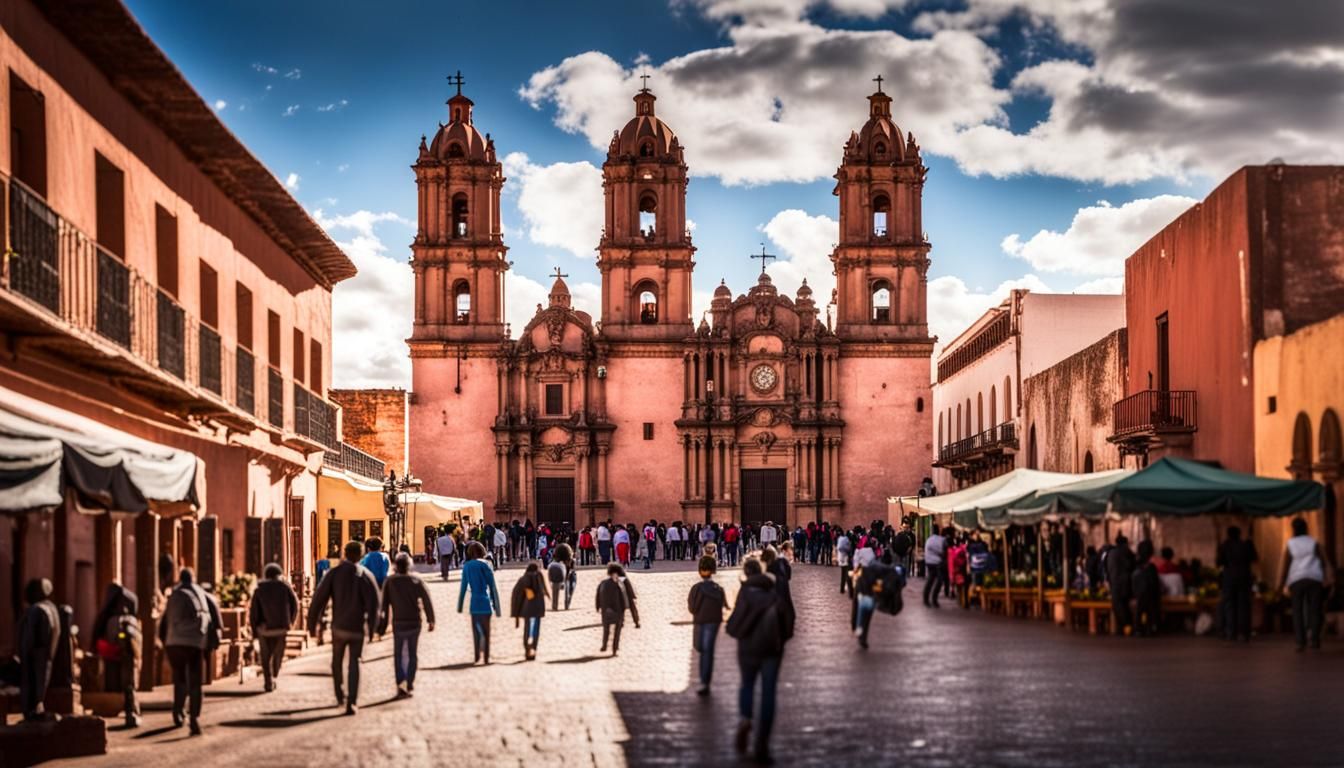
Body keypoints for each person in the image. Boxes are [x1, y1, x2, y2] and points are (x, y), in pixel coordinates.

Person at [725, 556, 789, 765]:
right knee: (769, 692)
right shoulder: (774, 591)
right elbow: (787, 618)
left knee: (747, 685)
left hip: (748, 649)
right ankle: (762, 743)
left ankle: (745, 719)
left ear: (746, 573)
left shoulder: (745, 593)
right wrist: (781, 639)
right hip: (772, 648)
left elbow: (732, 625)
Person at [307, 541, 380, 714]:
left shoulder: (334, 573)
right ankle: (352, 701)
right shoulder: (365, 575)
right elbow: (374, 605)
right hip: (357, 628)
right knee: (355, 662)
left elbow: (319, 599)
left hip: (339, 627)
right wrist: (372, 628)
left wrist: (313, 624)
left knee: (336, 662)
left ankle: (340, 695)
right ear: (361, 555)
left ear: (344, 553)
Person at [159, 568, 222, 734]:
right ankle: (194, 718)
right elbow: (215, 619)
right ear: (193, 579)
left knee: (179, 678)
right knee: (195, 682)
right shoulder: (202, 594)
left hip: (174, 643)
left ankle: (178, 712)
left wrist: (165, 641)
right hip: (194, 643)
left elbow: (164, 622)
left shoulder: (174, 595)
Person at [379, 552, 435, 696]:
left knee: (398, 654)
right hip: (415, 622)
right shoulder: (415, 581)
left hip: (399, 622)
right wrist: (431, 619)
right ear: (409, 565)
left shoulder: (390, 582)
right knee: (412, 653)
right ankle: (409, 682)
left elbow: (384, 606)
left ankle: (400, 682)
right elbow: (426, 600)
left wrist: (381, 627)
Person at [1278, 517, 1334, 651]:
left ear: (1294, 529)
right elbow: (1325, 561)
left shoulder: (1290, 544)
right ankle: (1314, 639)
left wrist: (1280, 584)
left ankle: (1300, 641)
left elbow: (1285, 565)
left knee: (1297, 610)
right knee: (1315, 609)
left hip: (1296, 579)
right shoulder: (1314, 543)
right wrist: (1329, 578)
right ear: (1306, 528)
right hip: (1314, 578)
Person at [93, 583, 142, 727]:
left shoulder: (109, 620)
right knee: (129, 686)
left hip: (112, 655)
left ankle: (124, 712)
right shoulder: (129, 620)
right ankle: (130, 713)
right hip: (126, 656)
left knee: (117, 683)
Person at [249, 562, 299, 692]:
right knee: (278, 654)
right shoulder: (285, 587)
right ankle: (274, 675)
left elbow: (254, 611)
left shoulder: (259, 589)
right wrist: (290, 622)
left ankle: (268, 681)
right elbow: (295, 605)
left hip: (264, 629)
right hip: (281, 627)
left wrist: (255, 629)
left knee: (265, 658)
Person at [18, 578, 60, 723]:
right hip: (47, 655)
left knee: (33, 684)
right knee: (41, 684)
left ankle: (32, 712)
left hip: (35, 654)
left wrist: (24, 652)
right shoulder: (52, 609)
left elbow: (29, 637)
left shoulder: (36, 610)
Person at [687, 556, 727, 695]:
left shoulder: (696, 589)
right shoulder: (719, 589)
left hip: (700, 620)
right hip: (714, 621)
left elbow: (692, 608)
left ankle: (704, 681)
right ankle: (705, 682)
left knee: (702, 649)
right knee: (708, 651)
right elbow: (722, 605)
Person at [457, 541, 502, 664]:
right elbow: (492, 587)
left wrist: (460, 605)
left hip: (474, 603)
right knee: (487, 632)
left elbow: (463, 587)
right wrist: (497, 607)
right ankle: (486, 657)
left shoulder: (467, 566)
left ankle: (477, 655)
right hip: (486, 602)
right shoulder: (486, 565)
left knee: (476, 631)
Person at [852, 552, 905, 649]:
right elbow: (892, 588)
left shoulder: (872, 569)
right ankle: (861, 635)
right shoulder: (891, 574)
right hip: (869, 593)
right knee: (866, 613)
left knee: (863, 611)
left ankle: (859, 632)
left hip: (864, 591)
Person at [1216, 526, 1258, 642]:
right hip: (1244, 577)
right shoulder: (1246, 545)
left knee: (1229, 605)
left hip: (1229, 577)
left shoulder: (1224, 546)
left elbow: (1219, 562)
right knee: (1243, 605)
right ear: (1239, 534)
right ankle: (1244, 632)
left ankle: (1231, 632)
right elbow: (1254, 558)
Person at [595, 563, 639, 656]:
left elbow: (598, 596)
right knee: (616, 631)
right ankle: (614, 648)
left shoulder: (603, 583)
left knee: (606, 629)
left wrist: (598, 607)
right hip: (618, 610)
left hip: (606, 610)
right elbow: (627, 597)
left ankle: (604, 645)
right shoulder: (622, 582)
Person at [510, 561, 548, 661]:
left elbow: (516, 598)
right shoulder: (540, 579)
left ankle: (527, 648)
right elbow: (544, 593)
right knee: (535, 631)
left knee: (527, 630)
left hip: (526, 610)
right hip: (538, 610)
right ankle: (533, 649)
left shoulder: (523, 580)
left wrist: (516, 615)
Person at [1105, 534, 1136, 636]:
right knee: (1125, 605)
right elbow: (1133, 566)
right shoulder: (1128, 553)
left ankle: (1122, 627)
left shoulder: (1111, 553)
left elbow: (1107, 570)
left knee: (1118, 606)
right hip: (1126, 583)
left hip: (1114, 584)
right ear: (1125, 543)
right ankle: (1128, 626)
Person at [1131, 541, 1161, 637]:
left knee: (1139, 610)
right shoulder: (1151, 567)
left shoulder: (1136, 565)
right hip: (1150, 594)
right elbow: (1155, 583)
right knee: (1151, 610)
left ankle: (1138, 629)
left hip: (1139, 593)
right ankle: (1151, 627)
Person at [922, 526, 947, 608]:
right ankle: (934, 599)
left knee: (930, 580)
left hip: (929, 562)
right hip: (938, 563)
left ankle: (926, 599)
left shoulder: (928, 540)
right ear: (938, 531)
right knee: (939, 581)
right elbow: (944, 551)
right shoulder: (942, 540)